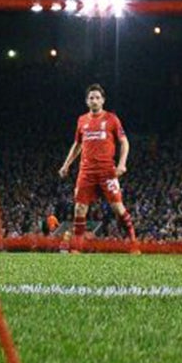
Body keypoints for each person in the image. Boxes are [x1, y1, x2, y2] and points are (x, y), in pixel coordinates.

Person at [57, 84, 137, 247]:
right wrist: (66, 165)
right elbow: (77, 144)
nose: (94, 100)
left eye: (97, 97)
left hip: (107, 171)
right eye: (91, 98)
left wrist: (122, 164)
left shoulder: (111, 119)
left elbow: (124, 142)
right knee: (79, 208)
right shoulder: (82, 120)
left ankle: (133, 241)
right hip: (86, 171)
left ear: (103, 100)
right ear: (87, 101)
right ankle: (77, 247)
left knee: (117, 207)